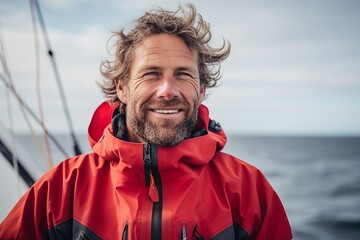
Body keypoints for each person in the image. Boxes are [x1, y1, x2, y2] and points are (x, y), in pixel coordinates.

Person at [0, 4, 292, 239]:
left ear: (201, 90)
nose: (168, 91)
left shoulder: (247, 190)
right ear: (122, 88)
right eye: (151, 73)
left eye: (183, 74)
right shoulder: (62, 189)